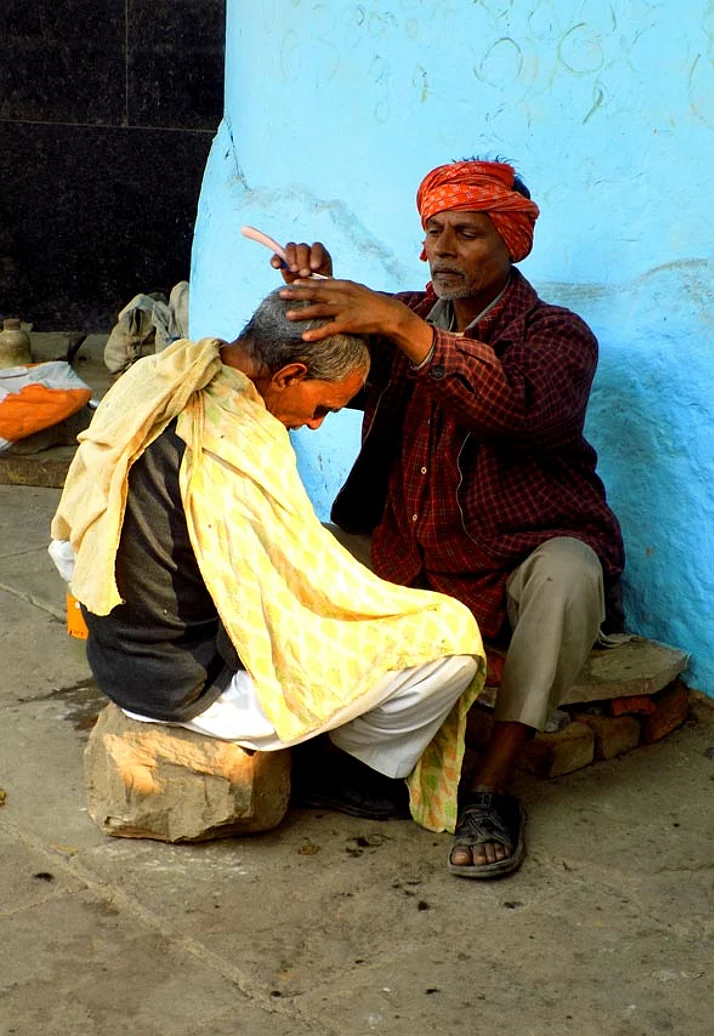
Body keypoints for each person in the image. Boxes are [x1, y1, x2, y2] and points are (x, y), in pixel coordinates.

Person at [275, 158, 625, 879]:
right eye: (434, 232)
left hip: (511, 559)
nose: (441, 250)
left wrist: (404, 327)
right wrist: (311, 295)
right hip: (412, 553)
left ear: (511, 242)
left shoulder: (557, 335)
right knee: (291, 550)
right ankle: (329, 746)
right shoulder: (399, 318)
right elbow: (329, 366)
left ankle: (492, 788)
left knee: (570, 574)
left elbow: (517, 412)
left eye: (466, 233)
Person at [49, 289, 486, 835]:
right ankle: (342, 769)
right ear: (289, 375)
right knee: (452, 642)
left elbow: (70, 547)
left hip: (117, 662)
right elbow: (261, 621)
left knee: (356, 592)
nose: (317, 424)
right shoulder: (233, 444)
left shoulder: (159, 376)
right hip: (190, 691)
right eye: (323, 407)